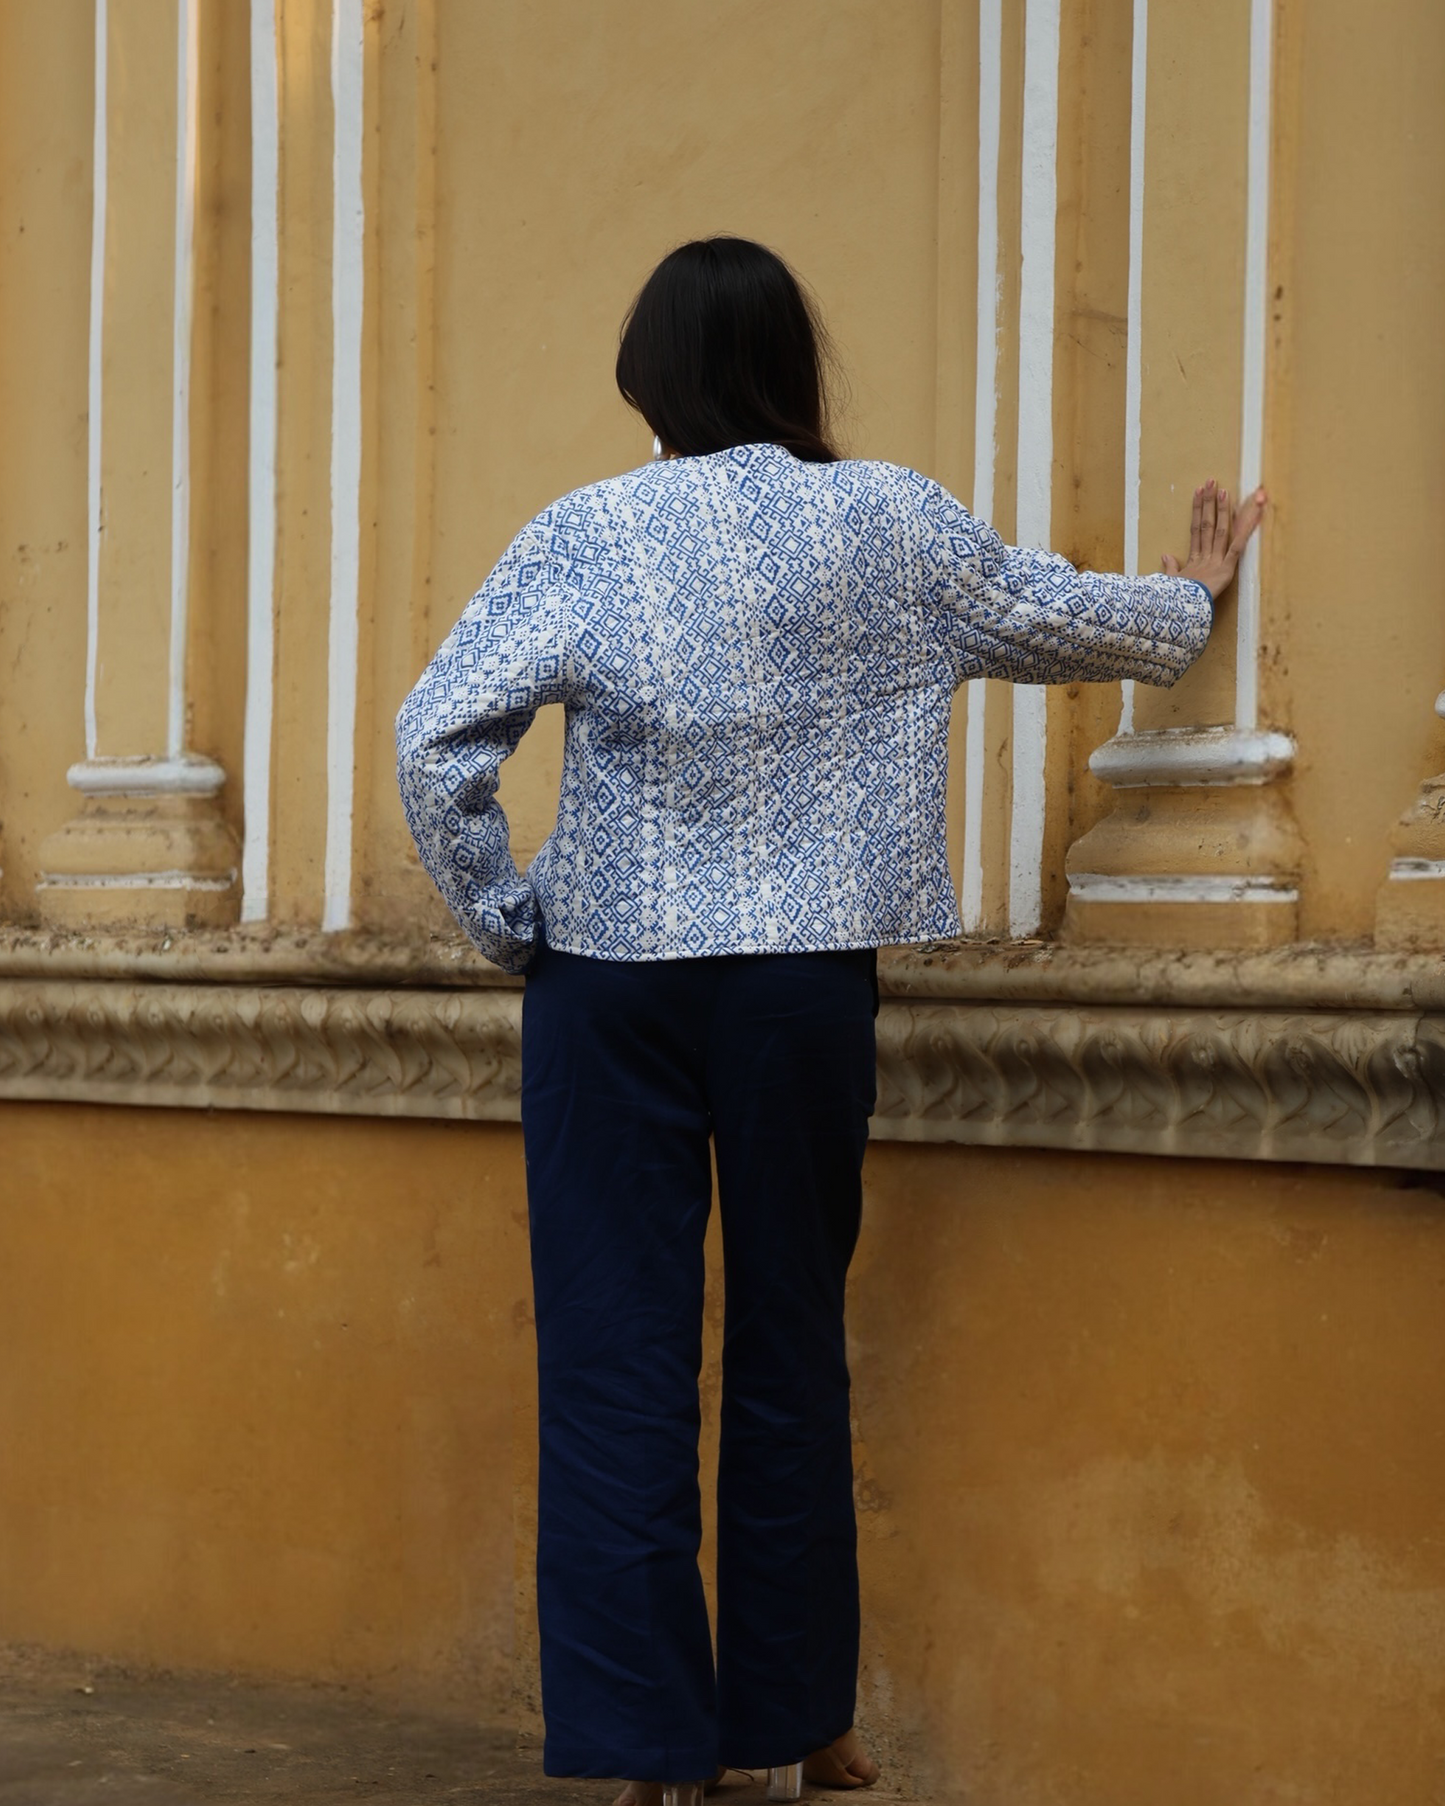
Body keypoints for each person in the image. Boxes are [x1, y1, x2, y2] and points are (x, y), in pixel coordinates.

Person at [395, 236, 1264, 1806]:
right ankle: (800, 1725)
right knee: (794, 1341)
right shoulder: (894, 523)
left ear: (647, 378)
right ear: (796, 368)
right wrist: (1191, 602)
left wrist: (507, 921)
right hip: (803, 989)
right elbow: (1056, 618)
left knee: (616, 1356)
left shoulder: (588, 528)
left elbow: (433, 738)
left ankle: (653, 1754)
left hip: (612, 981)